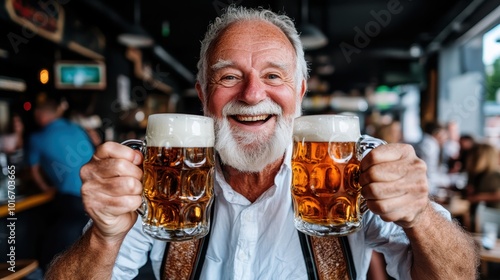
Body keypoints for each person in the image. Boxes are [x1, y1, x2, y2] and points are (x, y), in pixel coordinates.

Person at [45, 6, 478, 280]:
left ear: (301, 91)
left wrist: (420, 215)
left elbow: (459, 275)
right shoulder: (158, 174)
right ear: (202, 95)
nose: (253, 95)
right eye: (229, 76)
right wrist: (103, 237)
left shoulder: (357, 165)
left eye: (274, 76)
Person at [27, 92, 95, 272]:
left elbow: (33, 171)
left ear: (40, 115)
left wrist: (45, 188)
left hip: (72, 202)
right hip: (96, 194)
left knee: (49, 240)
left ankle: (43, 271)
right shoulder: (77, 128)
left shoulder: (37, 138)